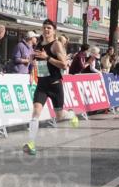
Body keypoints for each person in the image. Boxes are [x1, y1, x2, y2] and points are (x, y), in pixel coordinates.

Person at [24, 19, 79, 156]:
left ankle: (71, 114)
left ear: (54, 30)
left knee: (59, 116)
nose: (46, 30)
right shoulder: (39, 45)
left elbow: (64, 65)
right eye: (44, 28)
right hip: (42, 84)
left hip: (55, 85)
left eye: (49, 28)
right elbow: (37, 63)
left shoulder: (57, 45)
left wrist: (47, 57)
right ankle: (31, 144)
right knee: (35, 111)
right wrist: (32, 60)